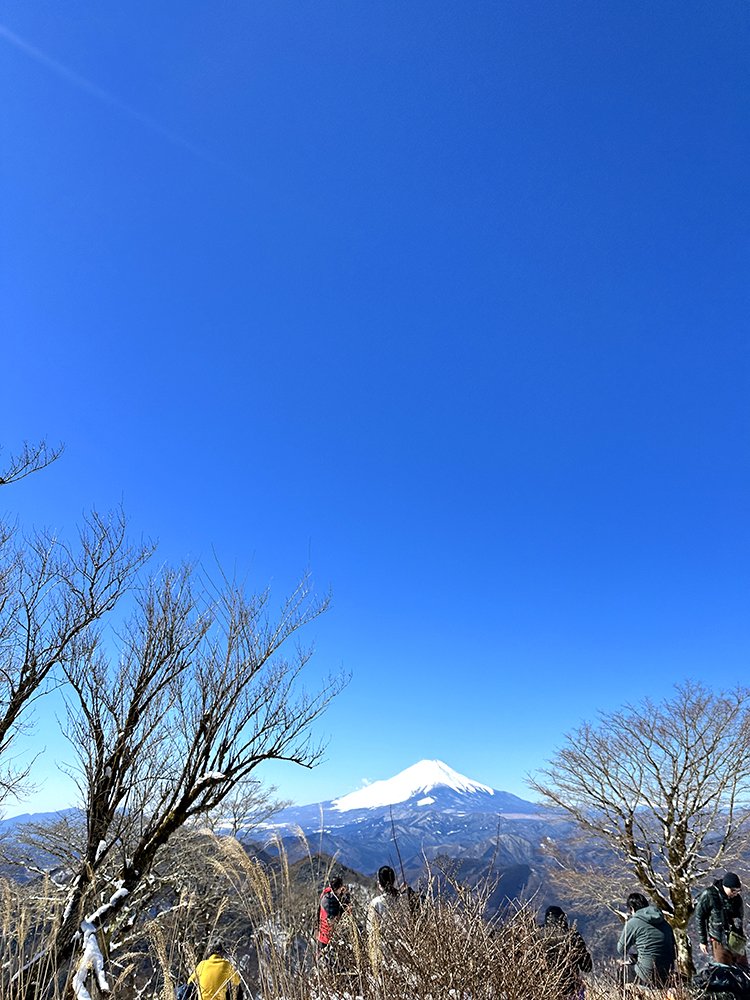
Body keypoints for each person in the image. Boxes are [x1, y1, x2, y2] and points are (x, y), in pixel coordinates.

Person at [617, 892, 676, 988]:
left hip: (647, 973)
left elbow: (621, 949)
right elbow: (674, 950)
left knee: (623, 970)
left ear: (632, 909)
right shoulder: (665, 923)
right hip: (668, 971)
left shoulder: (633, 922)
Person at [539, 905, 592, 1000]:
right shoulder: (573, 935)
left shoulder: (536, 934)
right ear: (563, 918)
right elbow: (587, 967)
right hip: (570, 988)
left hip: (543, 988)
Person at [695, 872, 748, 966]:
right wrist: (703, 940)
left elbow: (740, 919)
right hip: (718, 939)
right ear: (725, 886)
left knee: (744, 970)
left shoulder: (737, 899)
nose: (735, 893)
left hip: (736, 940)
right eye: (733, 890)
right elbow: (700, 917)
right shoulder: (709, 894)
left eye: (738, 891)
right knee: (725, 971)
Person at [316, 874, 350, 962]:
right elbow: (335, 919)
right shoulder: (329, 900)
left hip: (322, 935)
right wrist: (345, 902)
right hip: (327, 938)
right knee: (328, 962)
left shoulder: (326, 894)